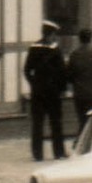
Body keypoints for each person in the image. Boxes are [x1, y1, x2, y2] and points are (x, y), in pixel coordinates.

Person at [24, 19, 68, 161]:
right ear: (51, 34)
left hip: (37, 92)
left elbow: (26, 70)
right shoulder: (55, 50)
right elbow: (62, 72)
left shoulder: (33, 48)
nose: (55, 37)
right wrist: (62, 89)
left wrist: (34, 84)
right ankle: (58, 152)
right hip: (53, 92)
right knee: (56, 123)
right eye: (54, 34)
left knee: (37, 123)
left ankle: (38, 154)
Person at [67, 28, 92, 134]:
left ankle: (81, 141)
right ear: (91, 38)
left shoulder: (74, 54)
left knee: (82, 119)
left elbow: (69, 74)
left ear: (79, 39)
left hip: (79, 93)